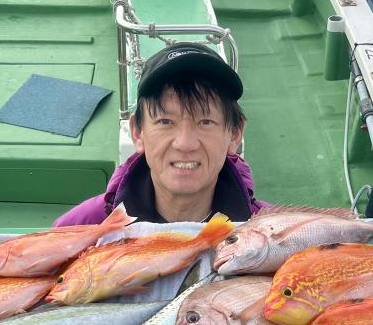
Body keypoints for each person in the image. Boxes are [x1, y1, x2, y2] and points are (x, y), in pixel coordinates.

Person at [54, 43, 267, 226]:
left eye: (205, 122)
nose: (185, 143)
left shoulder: (274, 236)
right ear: (137, 132)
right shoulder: (80, 229)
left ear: (235, 134)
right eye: (165, 122)